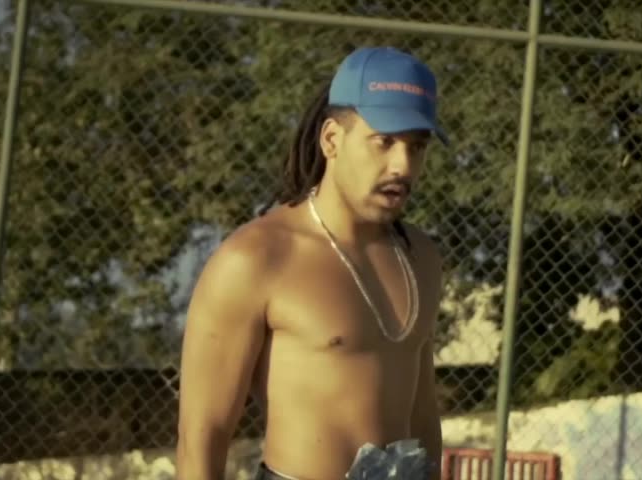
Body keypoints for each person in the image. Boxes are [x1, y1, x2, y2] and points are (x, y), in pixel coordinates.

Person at [176, 46, 450, 480]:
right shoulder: (256, 259)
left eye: (416, 147)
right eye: (384, 142)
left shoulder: (421, 259)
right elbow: (201, 437)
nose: (402, 165)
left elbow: (422, 418)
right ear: (331, 140)